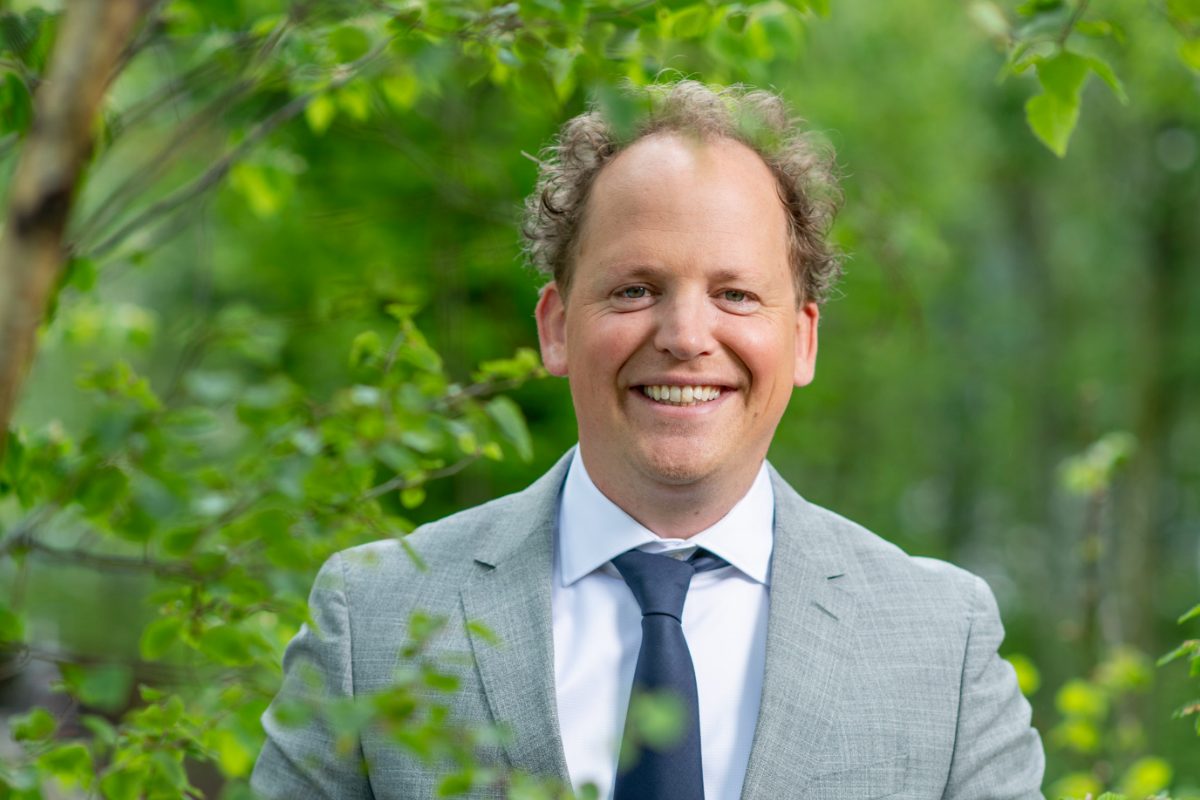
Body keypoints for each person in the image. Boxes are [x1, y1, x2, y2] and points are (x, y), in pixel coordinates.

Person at [251, 81, 1046, 799]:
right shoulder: (375, 618)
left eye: (736, 294)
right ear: (556, 327)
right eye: (636, 289)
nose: (686, 336)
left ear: (804, 340)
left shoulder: (941, 639)